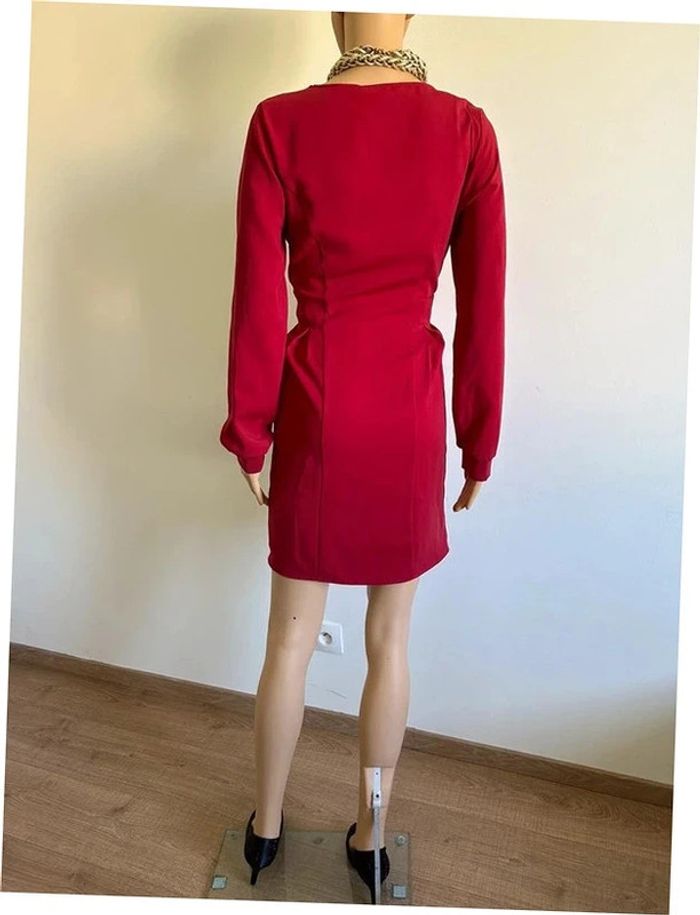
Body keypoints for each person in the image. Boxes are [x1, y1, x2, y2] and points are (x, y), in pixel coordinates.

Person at [219, 10, 506, 902]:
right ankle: (373, 838)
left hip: (317, 404)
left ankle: (266, 830)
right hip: (408, 415)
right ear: (409, 13)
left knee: (288, 639)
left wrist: (251, 427)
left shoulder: (280, 123)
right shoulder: (464, 130)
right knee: (390, 641)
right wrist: (478, 439)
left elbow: (255, 294)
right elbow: (483, 304)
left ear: (337, 15)